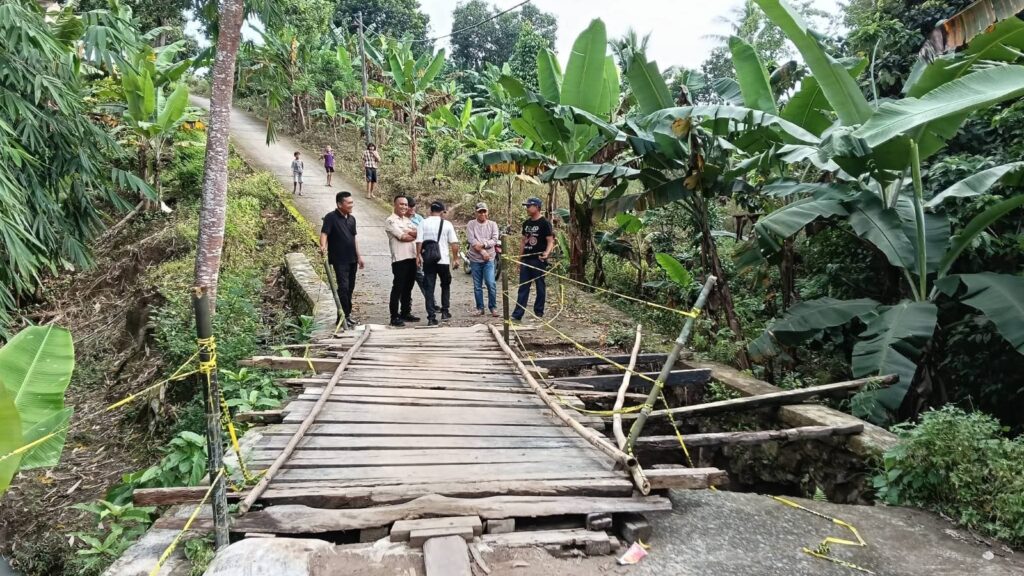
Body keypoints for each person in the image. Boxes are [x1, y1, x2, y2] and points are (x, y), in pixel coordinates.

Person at [320, 191, 364, 330]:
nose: (351, 205)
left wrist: (359, 256)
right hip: (339, 259)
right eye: (348, 203)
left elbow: (354, 238)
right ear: (340, 204)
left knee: (350, 288)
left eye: (352, 202)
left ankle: (347, 314)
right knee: (343, 287)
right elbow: (324, 233)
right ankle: (342, 316)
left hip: (352, 259)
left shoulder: (352, 219)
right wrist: (323, 247)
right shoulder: (331, 217)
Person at [416, 201, 460, 326]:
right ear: (442, 212)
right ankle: (445, 311)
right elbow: (454, 243)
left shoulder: (423, 223)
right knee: (445, 285)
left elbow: (419, 241)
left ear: (430, 210)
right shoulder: (447, 224)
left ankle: (431, 317)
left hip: (429, 260)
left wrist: (418, 256)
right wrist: (455, 259)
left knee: (429, 288)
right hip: (443, 260)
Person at [511, 197, 553, 323]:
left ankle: (539, 312)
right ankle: (517, 314)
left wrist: (547, 253)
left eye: (529, 206)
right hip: (526, 259)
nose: (527, 208)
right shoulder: (526, 223)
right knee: (523, 287)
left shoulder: (544, 223)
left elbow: (550, 241)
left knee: (540, 286)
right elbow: (523, 241)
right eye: (527, 206)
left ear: (537, 207)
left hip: (538, 260)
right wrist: (519, 260)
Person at [384, 195, 420, 327]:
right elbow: (403, 237)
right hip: (400, 259)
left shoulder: (407, 220)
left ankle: (405, 312)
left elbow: (419, 233)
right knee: (398, 288)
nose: (404, 207)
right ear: (395, 205)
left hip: (412, 257)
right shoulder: (390, 221)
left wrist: (410, 232)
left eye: (406, 204)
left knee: (408, 288)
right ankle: (394, 316)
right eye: (401, 204)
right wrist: (411, 234)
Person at [465, 202, 500, 317]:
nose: (482, 214)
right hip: (475, 259)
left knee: (491, 283)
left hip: (489, 259)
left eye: (484, 211)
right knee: (477, 285)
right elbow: (472, 240)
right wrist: (483, 251)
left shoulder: (493, 224)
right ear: (476, 213)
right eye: (480, 212)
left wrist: (484, 245)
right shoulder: (471, 224)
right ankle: (480, 308)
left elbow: (494, 239)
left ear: (487, 212)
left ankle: (493, 307)